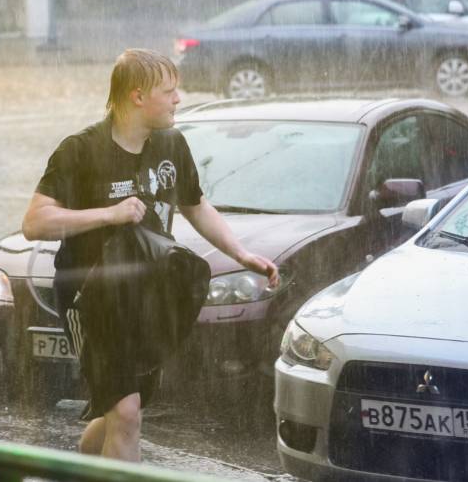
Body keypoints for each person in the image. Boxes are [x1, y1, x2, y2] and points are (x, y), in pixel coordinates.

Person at [22, 49, 278, 462]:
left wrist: (241, 253)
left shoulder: (172, 145)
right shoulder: (81, 150)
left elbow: (196, 205)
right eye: (170, 91)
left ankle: (75, 470)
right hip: (92, 296)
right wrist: (109, 214)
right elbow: (35, 221)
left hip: (145, 296)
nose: (179, 98)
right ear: (137, 96)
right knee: (125, 412)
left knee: (123, 412)